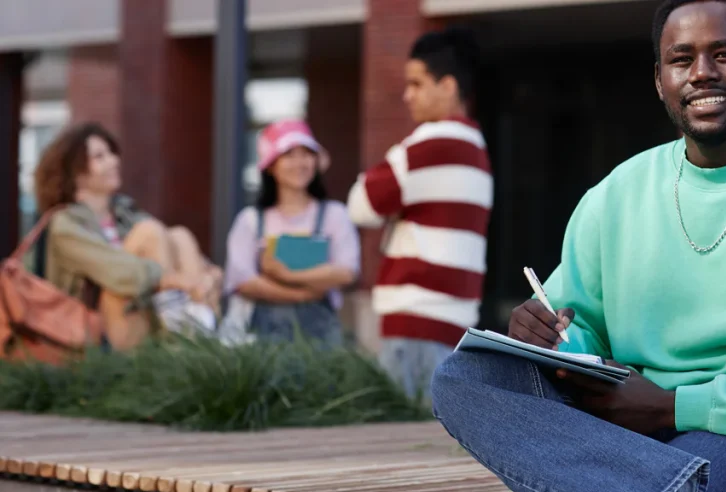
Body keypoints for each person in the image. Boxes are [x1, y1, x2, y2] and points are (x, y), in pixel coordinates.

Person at [430, 1, 726, 492]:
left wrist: (671, 406)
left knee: (699, 483)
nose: (702, 73)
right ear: (660, 79)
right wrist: (545, 334)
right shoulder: (616, 193)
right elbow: (581, 328)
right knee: (465, 374)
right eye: (681, 58)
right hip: (621, 426)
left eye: (724, 54)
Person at [347, 27, 493, 404]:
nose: (407, 95)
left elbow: (360, 204)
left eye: (416, 83)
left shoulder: (430, 142)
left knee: (397, 441)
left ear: (447, 86)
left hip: (414, 319)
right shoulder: (475, 146)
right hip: (453, 320)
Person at [33, 122, 222, 350]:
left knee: (180, 236)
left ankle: (201, 336)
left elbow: (172, 250)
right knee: (149, 233)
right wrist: (176, 280)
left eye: (111, 154)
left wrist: (207, 272)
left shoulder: (124, 212)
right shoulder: (64, 224)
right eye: (99, 157)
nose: (113, 161)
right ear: (75, 173)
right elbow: (116, 271)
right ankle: (184, 333)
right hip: (94, 334)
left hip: (142, 312)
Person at [222, 119, 360, 347]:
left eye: (306, 154)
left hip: (322, 340)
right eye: (289, 155)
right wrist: (304, 294)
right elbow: (243, 282)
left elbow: (346, 272)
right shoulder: (250, 220)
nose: (300, 163)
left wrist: (284, 275)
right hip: (261, 339)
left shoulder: (335, 215)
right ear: (271, 165)